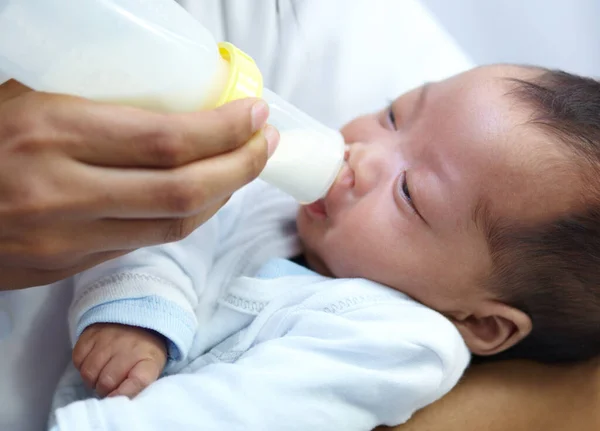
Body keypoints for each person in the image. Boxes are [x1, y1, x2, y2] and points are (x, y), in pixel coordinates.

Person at [2, 1, 599, 430]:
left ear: (483, 324)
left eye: (411, 192)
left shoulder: (395, 343)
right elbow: (173, 225)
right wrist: (142, 309)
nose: (363, 154)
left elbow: (233, 415)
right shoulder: (294, 215)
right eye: (394, 115)